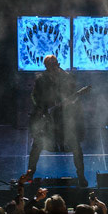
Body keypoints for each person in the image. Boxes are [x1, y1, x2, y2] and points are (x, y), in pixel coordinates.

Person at [25, 53, 85, 184]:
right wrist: (43, 108)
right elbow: (35, 96)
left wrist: (69, 103)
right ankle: (29, 174)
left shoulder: (67, 78)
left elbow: (74, 96)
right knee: (37, 145)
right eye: (49, 66)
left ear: (57, 64)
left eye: (54, 65)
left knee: (76, 146)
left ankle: (81, 175)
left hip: (65, 118)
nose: (52, 68)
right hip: (47, 118)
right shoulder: (41, 79)